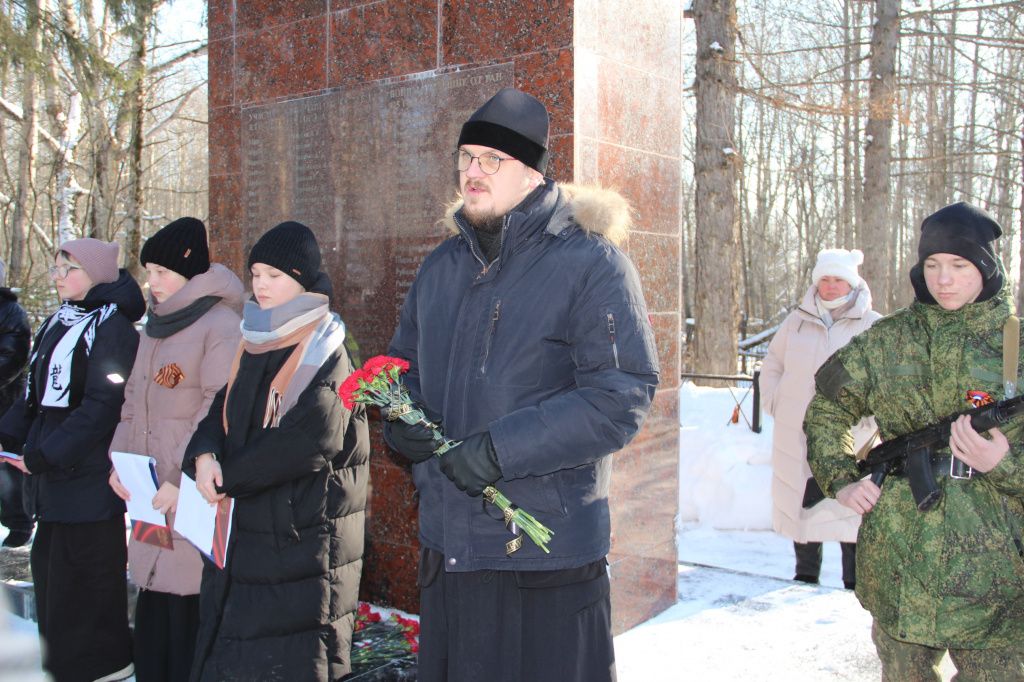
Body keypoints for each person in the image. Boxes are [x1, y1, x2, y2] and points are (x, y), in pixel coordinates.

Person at [386, 87, 660, 682]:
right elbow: (398, 370)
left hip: (541, 560)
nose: (471, 172)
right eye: (465, 158)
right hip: (450, 550)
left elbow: (621, 397)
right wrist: (399, 421)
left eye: (492, 160)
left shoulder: (591, 264)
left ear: (532, 175)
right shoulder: (439, 269)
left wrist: (499, 450)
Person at [804, 202, 1024, 678]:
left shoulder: (1015, 347)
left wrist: (1003, 462)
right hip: (900, 562)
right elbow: (826, 410)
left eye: (959, 265)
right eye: (932, 265)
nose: (943, 279)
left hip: (996, 579)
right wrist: (841, 480)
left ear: (986, 267)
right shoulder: (888, 340)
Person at [182, 220, 369, 681]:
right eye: (256, 274)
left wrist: (228, 476)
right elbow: (221, 411)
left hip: (300, 546)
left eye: (274, 276)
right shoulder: (254, 338)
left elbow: (310, 439)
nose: (261, 285)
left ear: (301, 280)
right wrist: (204, 454)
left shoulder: (328, 346)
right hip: (248, 537)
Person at [0, 239, 143, 682]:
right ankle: (64, 666)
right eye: (56, 267)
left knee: (86, 586)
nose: (58, 276)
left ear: (96, 274)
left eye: (69, 268)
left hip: (88, 483)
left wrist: (44, 455)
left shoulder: (113, 327)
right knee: (54, 587)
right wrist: (7, 437)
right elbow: (33, 395)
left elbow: (102, 406)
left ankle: (104, 669)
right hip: (55, 483)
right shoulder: (60, 321)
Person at [107, 218, 243, 682]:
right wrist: (119, 462)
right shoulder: (155, 326)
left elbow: (217, 412)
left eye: (162, 271)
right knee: (153, 609)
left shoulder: (220, 325)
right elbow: (133, 401)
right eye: (148, 271)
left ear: (189, 270)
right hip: (148, 498)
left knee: (186, 618)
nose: (152, 282)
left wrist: (179, 480)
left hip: (186, 498)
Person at [760, 248, 881, 589]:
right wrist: (775, 401)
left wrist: (870, 422)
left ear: (852, 283)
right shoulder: (795, 322)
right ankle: (804, 576)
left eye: (838, 279)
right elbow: (772, 365)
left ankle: (854, 582)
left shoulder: (872, 325)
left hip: (851, 436)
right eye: (824, 279)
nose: (830, 287)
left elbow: (886, 383)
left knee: (850, 510)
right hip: (796, 433)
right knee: (803, 505)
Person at [0, 257, 32, 547]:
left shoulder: (11, 312)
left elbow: (12, 358)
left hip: (5, 404)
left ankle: (19, 525)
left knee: (6, 469)